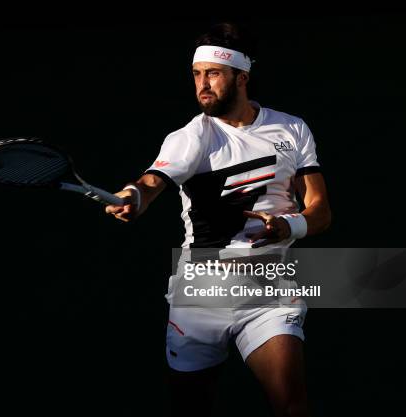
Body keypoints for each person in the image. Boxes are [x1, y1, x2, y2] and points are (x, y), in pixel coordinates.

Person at [105, 22, 331, 417]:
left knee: (293, 406)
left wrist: (288, 226)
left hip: (269, 290)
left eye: (213, 73)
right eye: (196, 74)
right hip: (199, 294)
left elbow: (320, 210)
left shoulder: (292, 129)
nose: (202, 84)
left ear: (241, 77)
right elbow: (152, 181)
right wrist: (134, 196)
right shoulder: (191, 136)